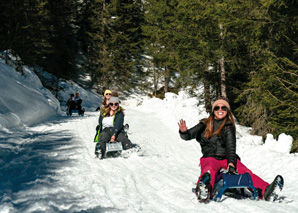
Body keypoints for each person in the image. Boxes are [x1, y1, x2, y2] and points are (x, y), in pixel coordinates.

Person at [178, 96, 284, 202]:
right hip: (210, 157)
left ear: (227, 110)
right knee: (209, 170)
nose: (220, 110)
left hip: (226, 158)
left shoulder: (228, 126)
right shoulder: (204, 124)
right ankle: (203, 190)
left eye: (223, 108)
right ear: (213, 109)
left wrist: (231, 163)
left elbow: (231, 147)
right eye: (217, 108)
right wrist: (183, 132)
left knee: (245, 172)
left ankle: (266, 191)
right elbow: (187, 136)